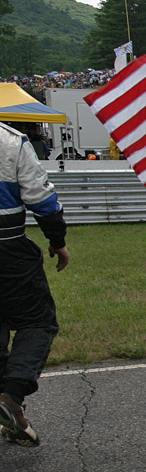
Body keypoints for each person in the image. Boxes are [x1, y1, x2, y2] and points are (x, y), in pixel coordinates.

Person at [0, 121, 69, 447]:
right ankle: (11, 398)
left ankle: (10, 411)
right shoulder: (11, 141)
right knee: (38, 322)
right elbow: (41, 198)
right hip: (8, 247)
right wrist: (57, 239)